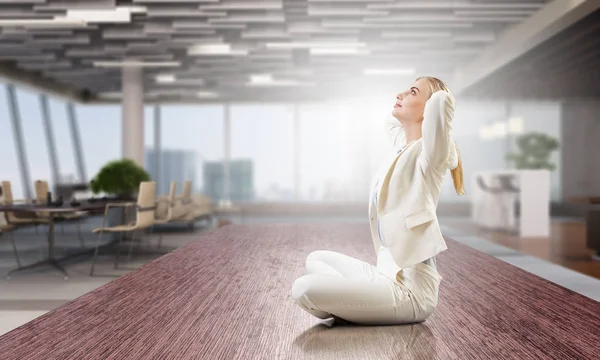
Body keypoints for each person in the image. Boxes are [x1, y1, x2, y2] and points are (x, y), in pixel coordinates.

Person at [291, 76, 465, 326]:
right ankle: (358, 305)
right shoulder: (401, 151)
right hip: (384, 274)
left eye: (412, 92)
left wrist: (437, 92)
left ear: (429, 109)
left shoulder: (431, 158)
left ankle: (353, 305)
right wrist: (415, 95)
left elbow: (441, 105)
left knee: (304, 288)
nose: (400, 94)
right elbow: (390, 123)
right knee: (316, 258)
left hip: (411, 292)